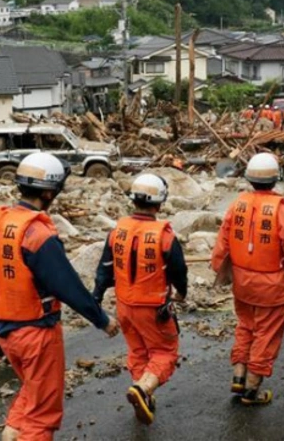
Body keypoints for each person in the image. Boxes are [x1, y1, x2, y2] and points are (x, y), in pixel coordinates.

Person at [0, 153, 119, 441]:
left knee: (32, 391)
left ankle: (11, 435)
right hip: (36, 333)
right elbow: (67, 286)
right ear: (49, 192)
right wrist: (102, 319)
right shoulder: (37, 233)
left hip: (4, 330)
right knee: (42, 415)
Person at [211, 152, 284, 405]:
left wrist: (220, 271)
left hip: (242, 283)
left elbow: (222, 243)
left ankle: (239, 375)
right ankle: (252, 388)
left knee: (245, 326)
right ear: (275, 178)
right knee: (266, 334)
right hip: (272, 288)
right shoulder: (282, 212)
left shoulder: (237, 205)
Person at [93, 174, 188, 426]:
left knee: (137, 351)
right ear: (160, 203)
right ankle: (143, 388)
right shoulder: (165, 236)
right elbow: (179, 271)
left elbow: (104, 269)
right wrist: (181, 293)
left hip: (124, 306)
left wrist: (96, 299)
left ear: (133, 200)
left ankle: (143, 395)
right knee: (165, 352)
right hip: (153, 309)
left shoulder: (117, 231)